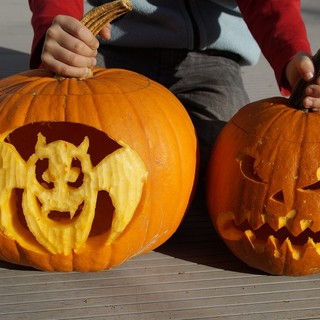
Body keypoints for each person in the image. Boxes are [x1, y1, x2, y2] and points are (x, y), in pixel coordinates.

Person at [28, 0, 320, 217]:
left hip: (209, 57)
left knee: (235, 169)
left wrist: (292, 54)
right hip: (105, 47)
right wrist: (58, 26)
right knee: (64, 146)